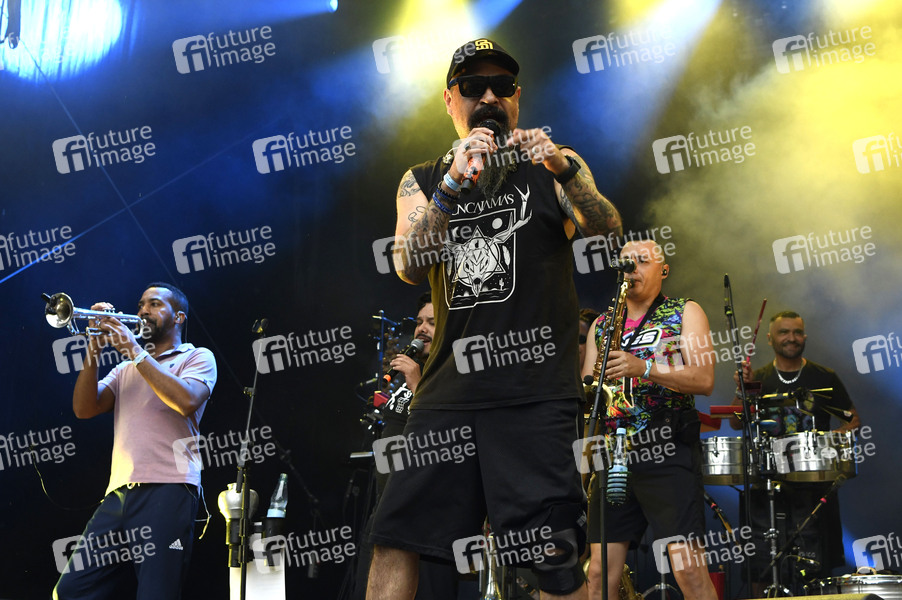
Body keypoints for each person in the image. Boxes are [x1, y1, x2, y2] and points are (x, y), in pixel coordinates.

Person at [367, 39, 623, 600]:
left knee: (554, 559)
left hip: (534, 393)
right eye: (473, 87)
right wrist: (452, 185)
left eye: (501, 86)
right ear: (449, 100)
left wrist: (562, 168)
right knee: (395, 539)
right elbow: (409, 265)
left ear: (517, 97)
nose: (488, 97)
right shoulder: (423, 178)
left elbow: (608, 234)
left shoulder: (553, 165)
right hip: (447, 394)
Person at [53, 283, 216, 600]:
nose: (143, 310)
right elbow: (84, 409)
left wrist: (135, 351)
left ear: (179, 317)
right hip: (119, 493)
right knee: (70, 591)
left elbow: (186, 401)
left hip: (168, 488)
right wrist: (94, 346)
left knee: (157, 593)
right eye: (141, 304)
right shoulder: (124, 369)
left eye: (155, 304)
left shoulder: (197, 356)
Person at [581, 239, 717, 600]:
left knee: (688, 569)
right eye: (626, 262)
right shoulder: (602, 324)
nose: (632, 269)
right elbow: (589, 393)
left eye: (642, 261)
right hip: (614, 453)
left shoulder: (685, 311)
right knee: (598, 574)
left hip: (666, 448)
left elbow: (704, 379)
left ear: (664, 270)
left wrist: (644, 368)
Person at [729, 311, 860, 592]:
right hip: (768, 484)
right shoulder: (759, 378)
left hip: (814, 484)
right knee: (763, 567)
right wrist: (743, 389)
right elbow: (736, 422)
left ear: (805, 336)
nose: (791, 338)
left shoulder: (824, 376)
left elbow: (853, 420)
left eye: (797, 332)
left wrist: (828, 440)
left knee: (816, 567)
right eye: (784, 332)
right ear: (770, 338)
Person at [355, 293, 459, 600]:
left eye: (432, 322)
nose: (422, 329)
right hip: (387, 508)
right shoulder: (414, 372)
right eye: (419, 322)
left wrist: (416, 384)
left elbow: (448, 434)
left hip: (421, 516)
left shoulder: (451, 374)